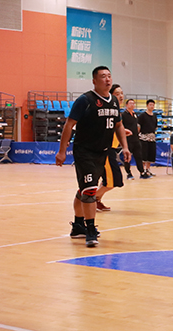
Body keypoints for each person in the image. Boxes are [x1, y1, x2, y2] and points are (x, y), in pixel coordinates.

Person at [56, 66, 131, 247]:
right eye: (103, 76)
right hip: (84, 151)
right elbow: (69, 125)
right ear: (94, 81)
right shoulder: (85, 100)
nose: (107, 79)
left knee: (84, 189)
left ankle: (78, 226)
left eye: (109, 76)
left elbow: (119, 125)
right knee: (90, 190)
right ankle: (90, 229)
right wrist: (62, 151)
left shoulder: (114, 101)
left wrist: (125, 147)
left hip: (102, 152)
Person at [95, 84, 127, 212]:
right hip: (105, 149)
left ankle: (96, 201)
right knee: (113, 181)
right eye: (117, 93)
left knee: (110, 180)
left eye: (121, 93)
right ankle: (89, 199)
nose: (120, 96)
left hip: (112, 149)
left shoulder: (117, 111)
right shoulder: (107, 110)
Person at [122, 98, 145, 180]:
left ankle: (142, 172)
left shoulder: (135, 114)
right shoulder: (123, 115)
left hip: (136, 139)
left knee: (139, 156)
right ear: (126, 105)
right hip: (128, 139)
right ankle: (129, 173)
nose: (132, 105)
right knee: (127, 157)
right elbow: (121, 127)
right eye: (130, 103)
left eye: (133, 103)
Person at [137, 99, 157, 178]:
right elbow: (139, 126)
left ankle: (148, 169)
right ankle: (142, 171)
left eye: (153, 105)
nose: (152, 106)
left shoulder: (154, 116)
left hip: (152, 137)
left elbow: (155, 127)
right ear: (147, 106)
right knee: (143, 155)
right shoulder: (142, 115)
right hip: (144, 137)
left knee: (150, 155)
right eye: (150, 105)